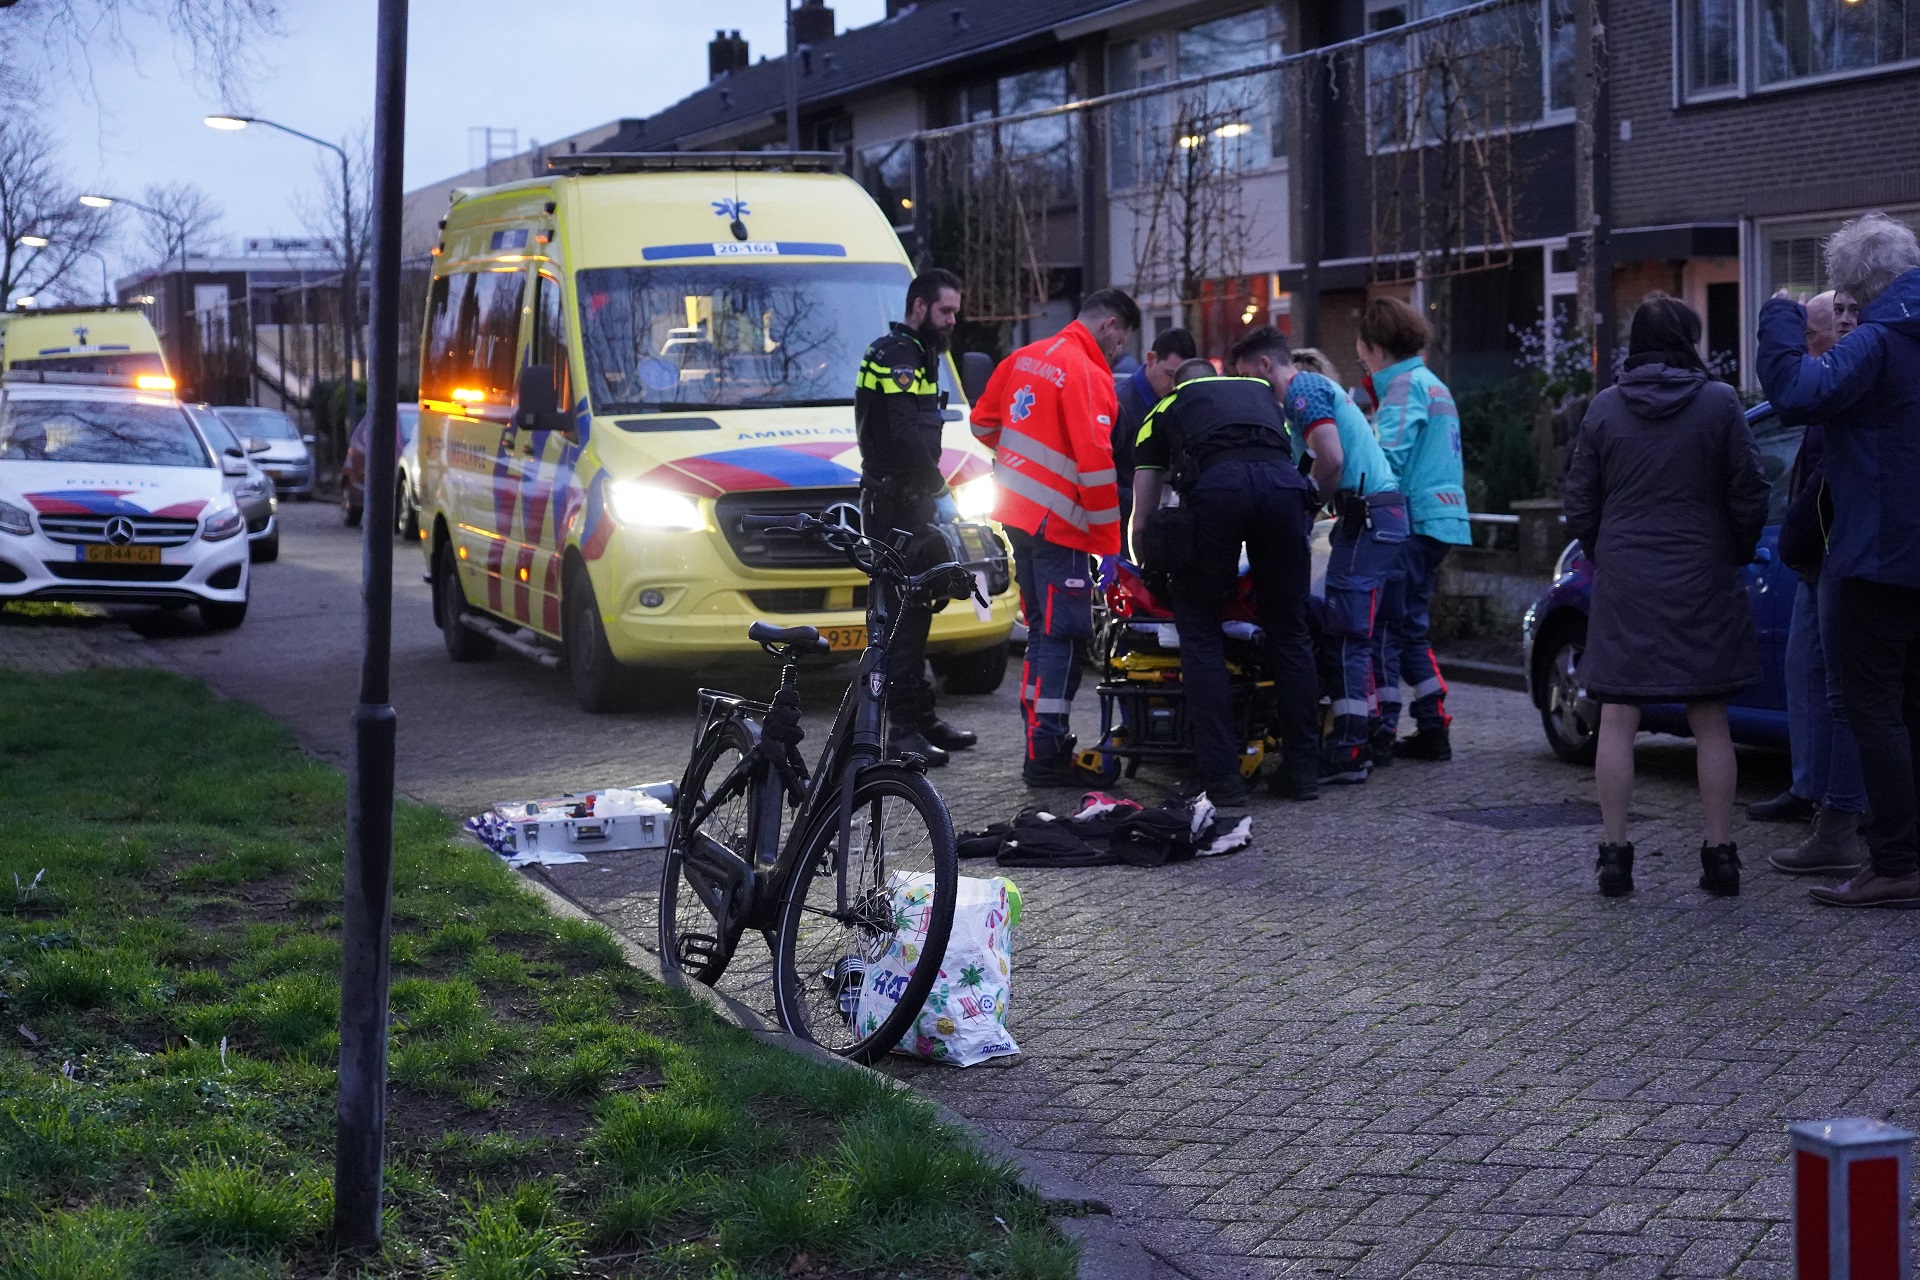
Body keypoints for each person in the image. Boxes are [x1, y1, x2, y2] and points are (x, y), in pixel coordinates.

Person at [1564, 294, 1771, 898]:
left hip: (1627, 581)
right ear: (1688, 341)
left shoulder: (1605, 408)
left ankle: (1614, 856)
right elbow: (1751, 490)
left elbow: (1580, 501)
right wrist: (1733, 548)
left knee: (1617, 716)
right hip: (1702, 577)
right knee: (1710, 718)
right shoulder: (1720, 403)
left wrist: (1609, 553)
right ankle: (1721, 855)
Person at [1758, 210, 1920, 909]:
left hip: (1878, 557)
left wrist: (1778, 317)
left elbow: (1798, 394)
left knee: (1871, 710)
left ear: (1856, 285)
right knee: (1909, 709)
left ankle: (1896, 862)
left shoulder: (1879, 340)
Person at [1131, 358, 1320, 804]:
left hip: (1219, 490)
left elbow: (1144, 512)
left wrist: (1149, 568)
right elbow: (1290, 456)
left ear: (1176, 386)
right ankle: (1302, 773)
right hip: (1284, 488)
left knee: (1200, 629)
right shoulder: (1262, 397)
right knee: (1289, 629)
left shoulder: (1165, 407)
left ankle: (1221, 780)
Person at [972, 289, 1138, 788]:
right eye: (1120, 342)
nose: (1118, 353)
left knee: (1043, 630)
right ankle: (1046, 751)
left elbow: (983, 423)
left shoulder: (1023, 358)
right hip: (1059, 525)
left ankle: (1039, 742)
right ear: (1108, 325)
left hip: (1017, 515)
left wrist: (1024, 465)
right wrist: (1109, 545)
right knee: (1062, 635)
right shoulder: (1086, 373)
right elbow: (1096, 463)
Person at [1234, 325, 1406, 786]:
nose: (1248, 387)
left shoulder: (1303, 391)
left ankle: (1349, 749)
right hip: (1375, 517)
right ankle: (1365, 738)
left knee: (1344, 634)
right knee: (1356, 631)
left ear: (1266, 365)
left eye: (1248, 376)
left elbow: (1330, 460)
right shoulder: (1304, 402)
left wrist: (1305, 510)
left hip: (1367, 517)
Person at [1762, 292, 1871, 877]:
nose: (1846, 322)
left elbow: (1825, 474)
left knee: (1847, 693)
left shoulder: (1850, 378)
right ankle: (1819, 796)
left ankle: (1845, 820)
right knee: (1815, 678)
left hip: (1839, 553)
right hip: (1828, 554)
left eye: (1853, 311)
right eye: (1840, 313)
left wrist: (1796, 538)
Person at [854, 267, 977, 766]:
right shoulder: (898, 357)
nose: (952, 320)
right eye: (945, 311)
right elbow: (904, 433)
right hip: (895, 505)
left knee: (920, 606)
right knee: (903, 618)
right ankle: (901, 729)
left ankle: (921, 717)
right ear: (920, 307)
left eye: (955, 312)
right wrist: (939, 487)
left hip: (910, 501)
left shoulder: (920, 354)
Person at [1357, 297, 1470, 764]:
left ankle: (1381, 730)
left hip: (1410, 522)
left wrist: (1349, 493)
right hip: (1441, 520)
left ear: (1376, 348)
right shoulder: (1433, 383)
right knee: (1410, 627)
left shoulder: (1404, 387)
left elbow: (1387, 457)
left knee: (1383, 628)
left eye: (1363, 351)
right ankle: (1432, 725)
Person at [1112, 328, 1197, 549]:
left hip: (1158, 520)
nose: (1173, 385)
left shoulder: (1177, 399)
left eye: (1181, 379)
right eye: (1169, 374)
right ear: (1151, 359)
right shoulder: (1120, 404)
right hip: (1120, 522)